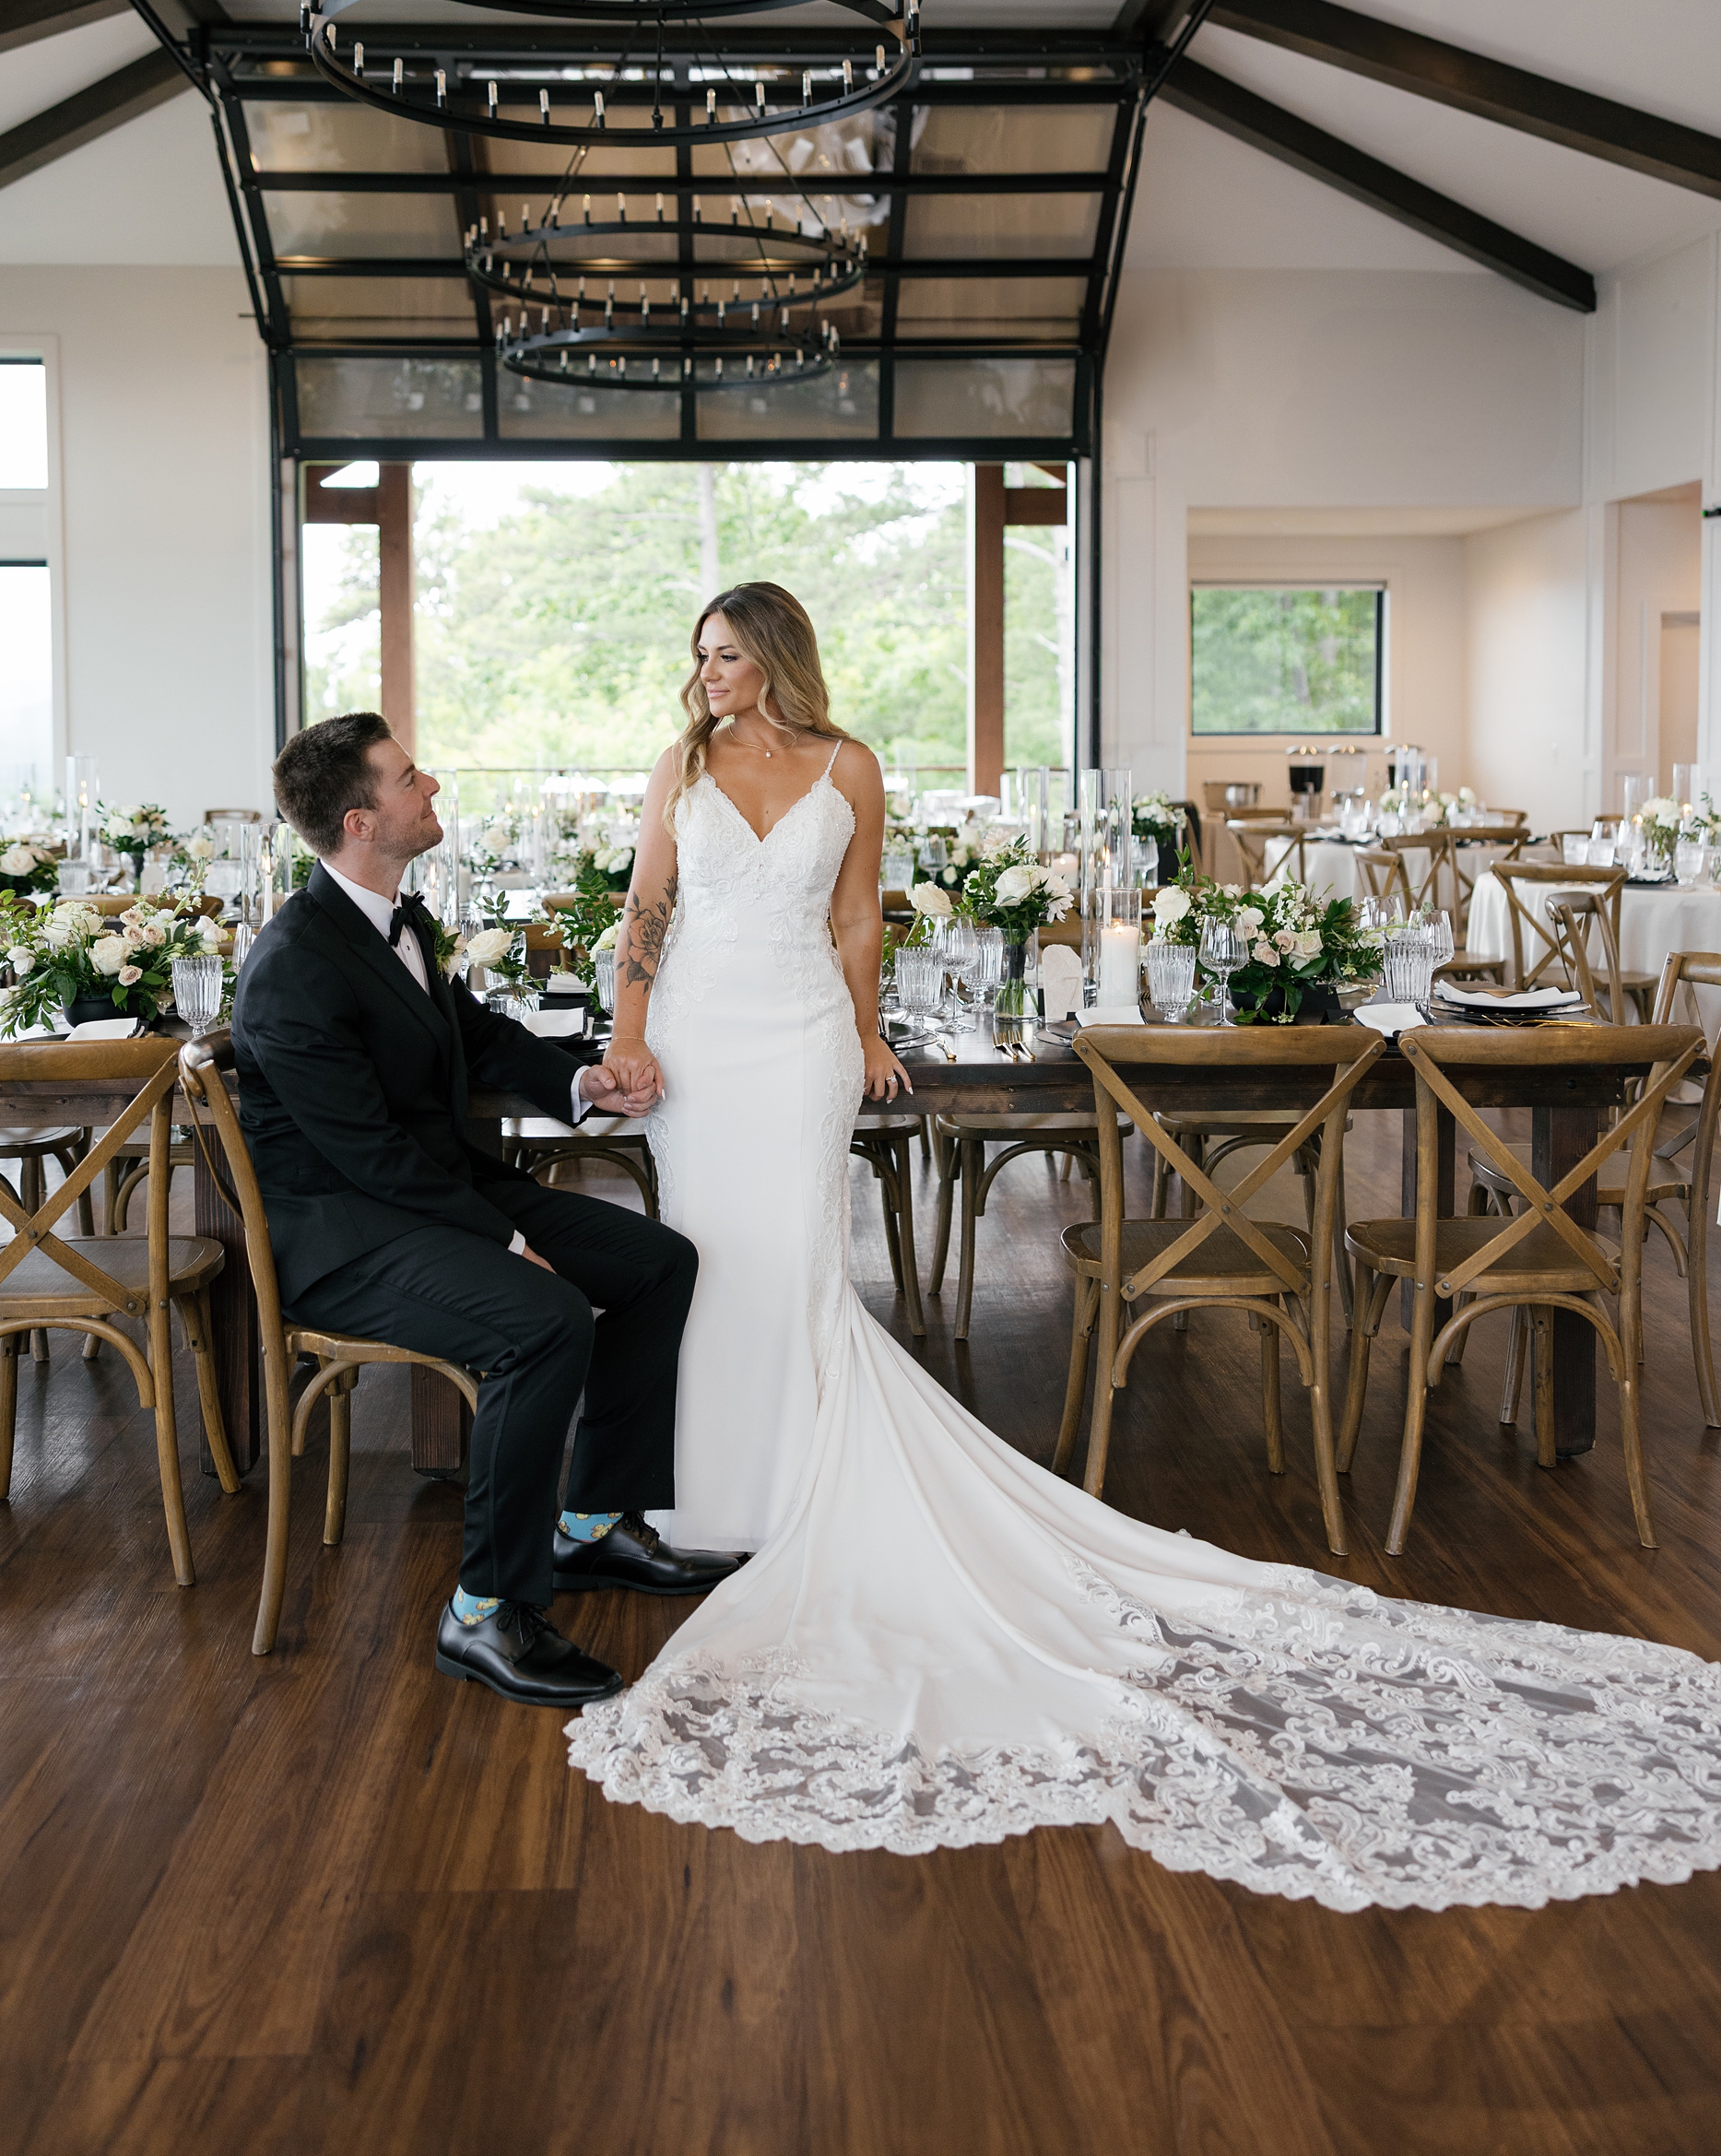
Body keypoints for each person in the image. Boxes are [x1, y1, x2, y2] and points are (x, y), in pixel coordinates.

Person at [566, 584, 1721, 1907]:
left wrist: (870, 1028)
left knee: (794, 1262)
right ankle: (693, 1497)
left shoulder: (849, 764)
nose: (707, 672)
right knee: (708, 1262)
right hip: (702, 1046)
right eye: (700, 654)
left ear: (775, 658)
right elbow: (645, 913)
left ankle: (785, 1495)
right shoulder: (680, 764)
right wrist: (629, 1033)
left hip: (806, 1043)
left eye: (727, 652)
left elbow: (856, 917)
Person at [232, 713, 737, 1713]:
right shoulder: (294, 963)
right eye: (409, 778)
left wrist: (583, 1083)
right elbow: (364, 1156)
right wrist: (508, 1240)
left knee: (657, 1262)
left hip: (423, 1194)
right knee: (540, 1320)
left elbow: (476, 1032)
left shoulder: (396, 919)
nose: (432, 787)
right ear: (359, 819)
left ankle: (590, 1523)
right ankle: (484, 1607)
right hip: (342, 1234)